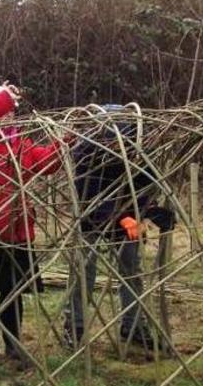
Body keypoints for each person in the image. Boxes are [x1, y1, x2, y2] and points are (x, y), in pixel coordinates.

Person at [0, 83, 66, 364]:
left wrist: (64, 142)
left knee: (12, 292)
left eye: (12, 113)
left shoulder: (20, 144)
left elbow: (46, 164)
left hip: (15, 231)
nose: (10, 117)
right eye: (4, 112)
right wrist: (3, 98)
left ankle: (13, 345)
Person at [62, 106, 176, 351]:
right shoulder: (86, 151)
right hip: (92, 218)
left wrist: (148, 213)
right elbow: (87, 193)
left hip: (126, 218)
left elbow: (145, 184)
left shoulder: (137, 147)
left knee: (131, 269)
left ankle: (133, 326)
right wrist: (120, 217)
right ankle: (75, 325)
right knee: (84, 270)